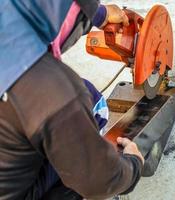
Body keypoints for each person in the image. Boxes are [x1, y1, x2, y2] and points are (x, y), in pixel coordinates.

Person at [0, 0, 145, 199]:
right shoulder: (54, 90)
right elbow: (101, 179)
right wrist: (133, 164)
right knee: (92, 109)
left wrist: (101, 15)